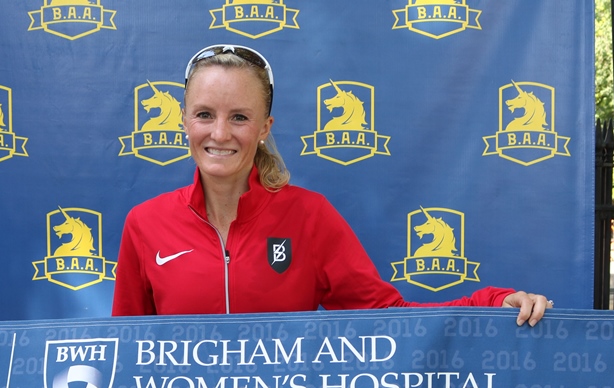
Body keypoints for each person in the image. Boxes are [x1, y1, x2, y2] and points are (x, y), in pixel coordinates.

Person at [112, 44, 551, 325]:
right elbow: (123, 353)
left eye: (240, 117)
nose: (220, 133)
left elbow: (387, 317)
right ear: (185, 120)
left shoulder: (309, 216)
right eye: (205, 114)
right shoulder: (146, 224)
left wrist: (492, 304)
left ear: (265, 127)